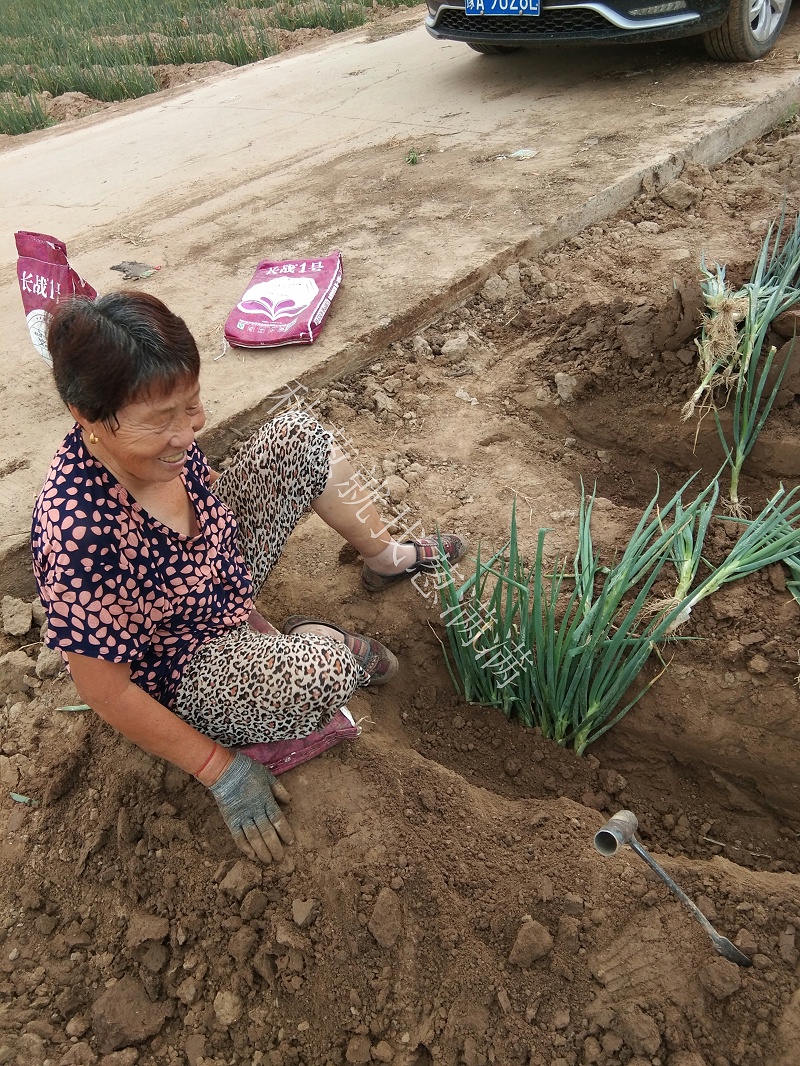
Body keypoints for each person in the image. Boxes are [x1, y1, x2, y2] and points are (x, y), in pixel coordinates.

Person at [31, 292, 466, 865]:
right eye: (162, 419)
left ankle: (385, 558)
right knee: (325, 669)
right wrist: (221, 770)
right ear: (86, 415)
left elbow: (199, 474)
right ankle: (328, 644)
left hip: (216, 571)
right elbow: (104, 690)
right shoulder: (77, 533)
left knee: (300, 438)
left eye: (192, 405)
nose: (188, 431)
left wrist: (191, 461)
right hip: (181, 661)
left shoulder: (160, 448)